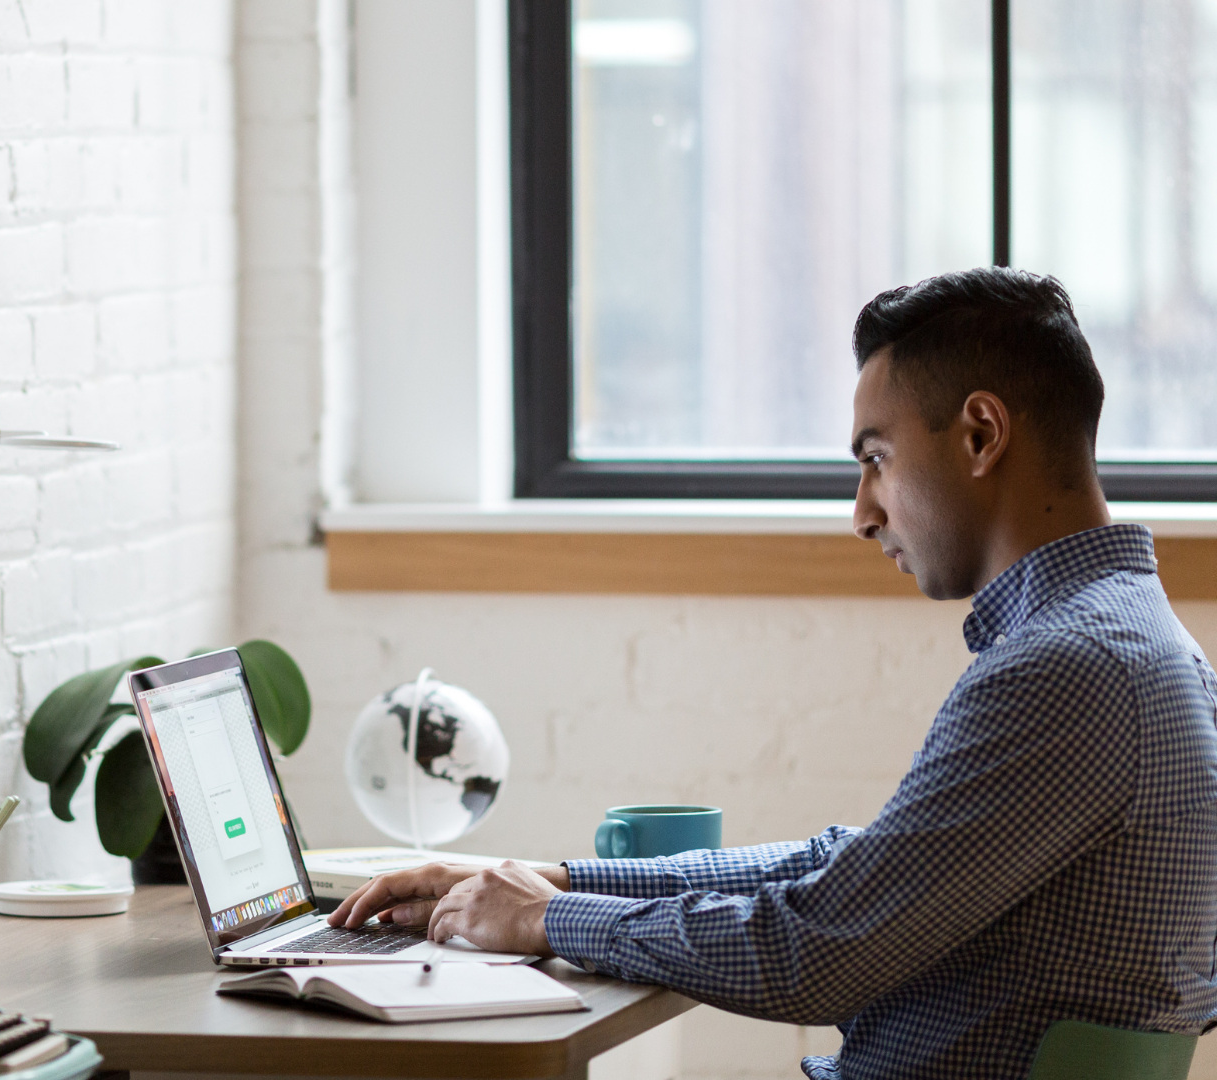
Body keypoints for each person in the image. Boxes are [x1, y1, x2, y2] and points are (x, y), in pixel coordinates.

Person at [329, 267, 1217, 1080]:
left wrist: (543, 921)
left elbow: (814, 954)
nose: (863, 513)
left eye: (876, 458)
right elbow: (854, 868)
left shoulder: (1066, 670)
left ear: (981, 434)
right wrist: (556, 881)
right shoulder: (1143, 648)